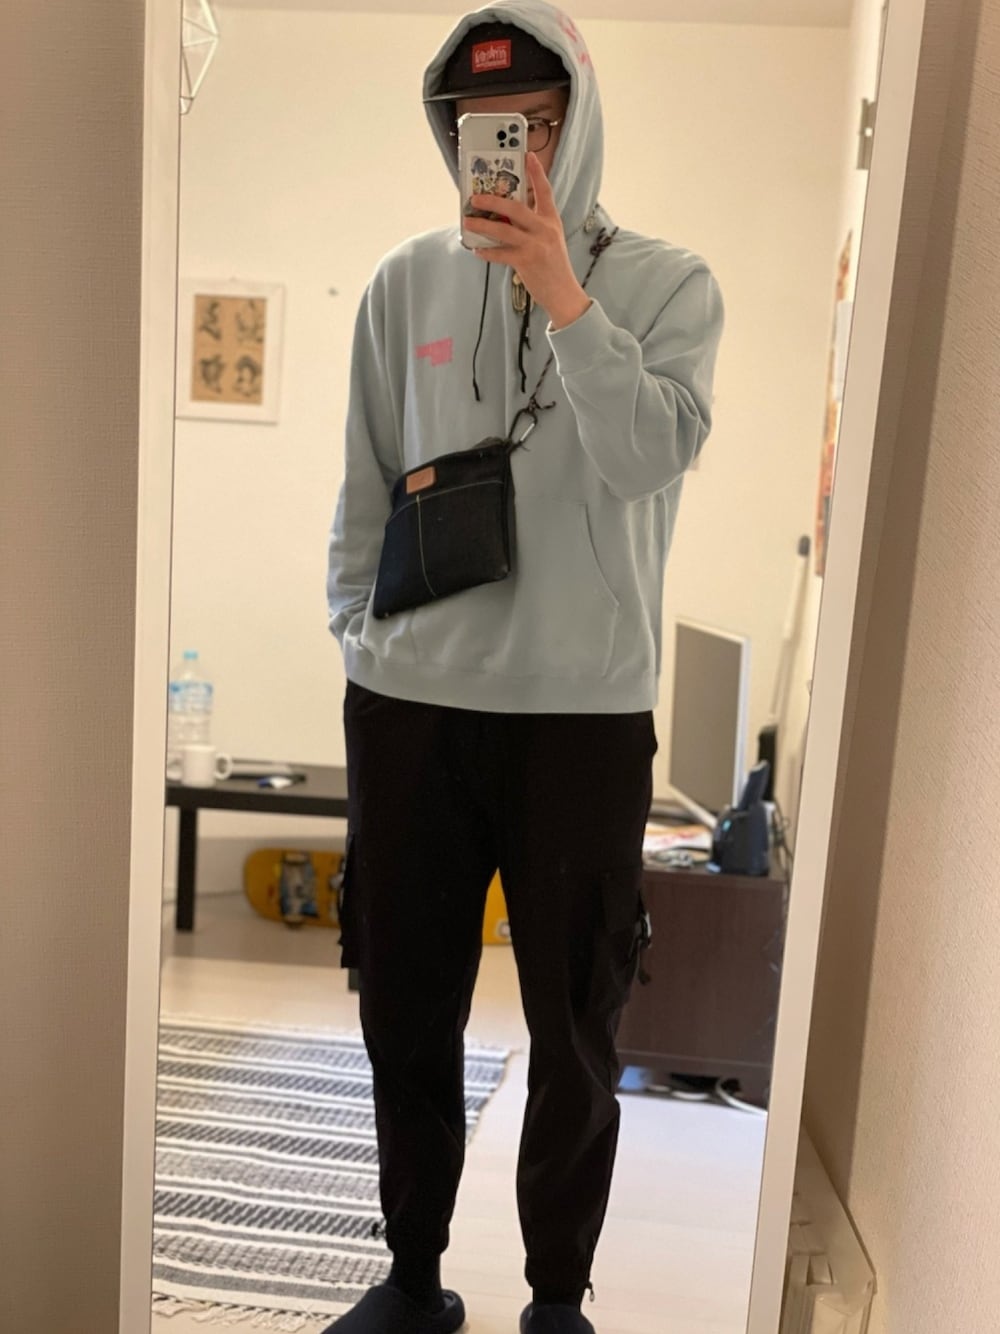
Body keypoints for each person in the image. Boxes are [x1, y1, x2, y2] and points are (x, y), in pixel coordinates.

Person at [325, 3, 723, 1332]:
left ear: (578, 121)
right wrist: (359, 633)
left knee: (577, 1021)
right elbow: (365, 480)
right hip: (409, 705)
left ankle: (557, 1299)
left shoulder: (670, 284)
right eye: (482, 128)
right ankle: (411, 1277)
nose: (509, 152)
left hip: (580, 713)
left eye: (537, 126)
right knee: (404, 1007)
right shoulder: (401, 283)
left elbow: (647, 455)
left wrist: (564, 293)